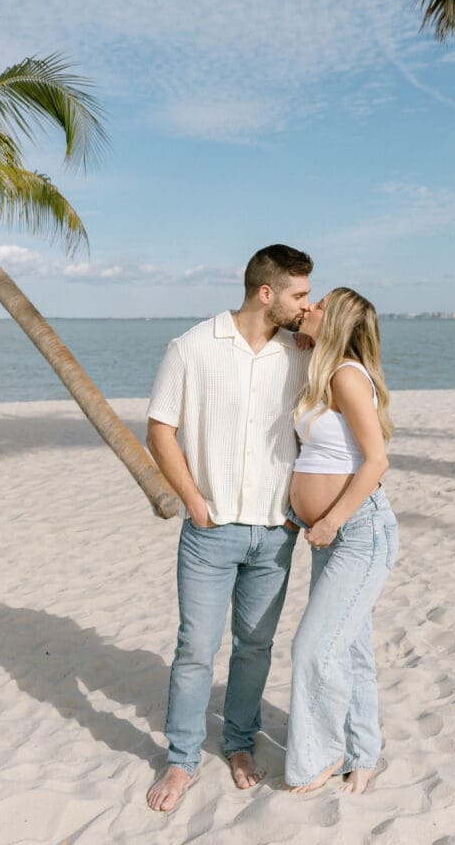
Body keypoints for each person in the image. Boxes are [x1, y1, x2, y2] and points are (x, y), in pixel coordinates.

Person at [145, 244, 313, 813]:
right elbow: (160, 429)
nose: (305, 304)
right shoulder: (192, 346)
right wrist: (192, 499)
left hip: (276, 532)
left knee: (256, 646)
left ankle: (239, 743)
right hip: (209, 530)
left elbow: (319, 428)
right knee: (195, 648)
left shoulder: (299, 355)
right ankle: (181, 758)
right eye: (299, 294)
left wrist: (301, 505)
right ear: (266, 293)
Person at [283, 287, 398, 794]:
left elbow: (376, 461)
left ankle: (321, 756)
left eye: (320, 305)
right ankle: (363, 752)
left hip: (356, 533)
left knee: (314, 648)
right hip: (328, 534)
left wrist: (330, 522)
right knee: (349, 648)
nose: (308, 307)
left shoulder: (347, 376)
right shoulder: (321, 371)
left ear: (337, 322)